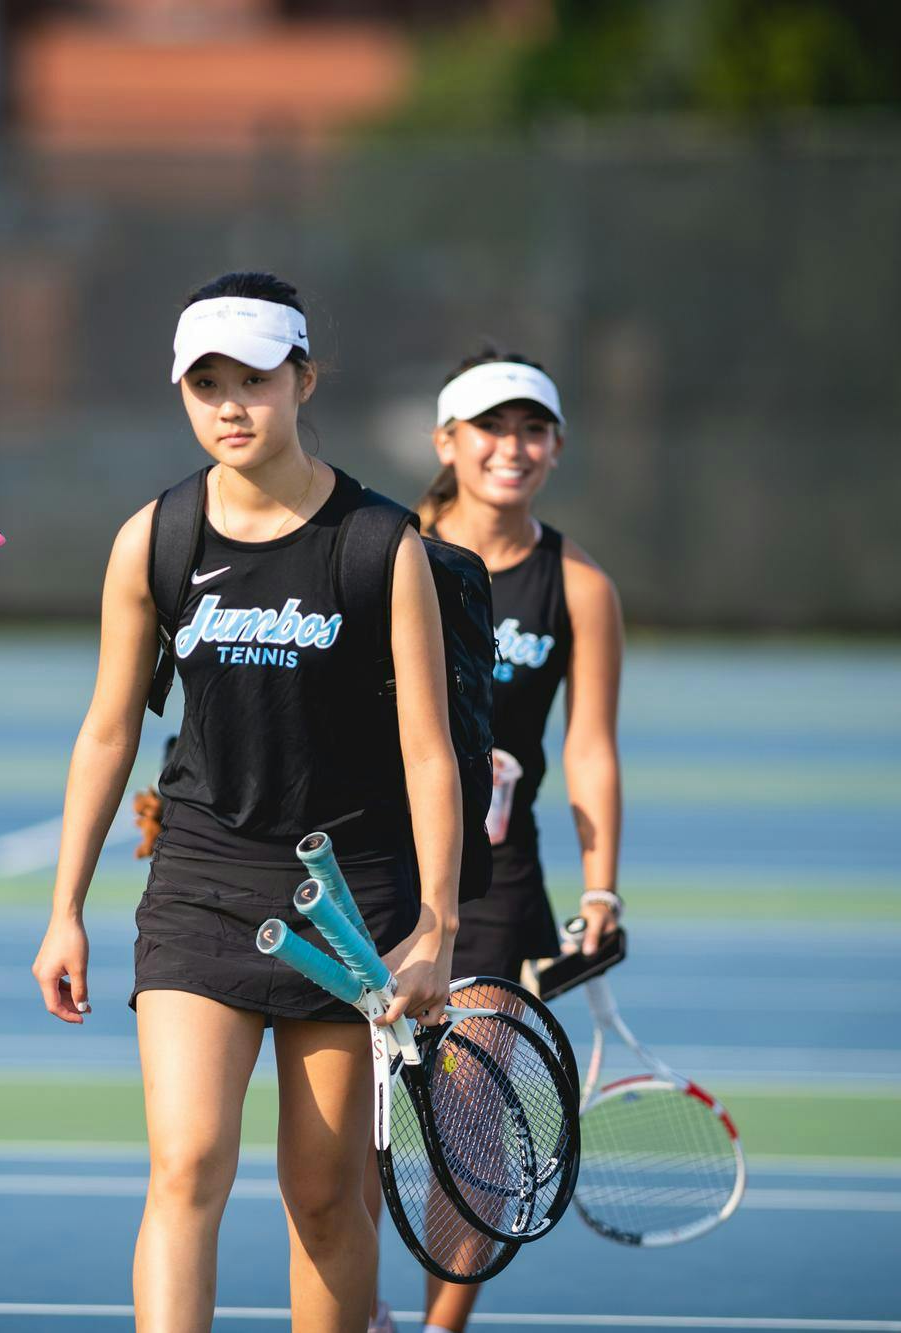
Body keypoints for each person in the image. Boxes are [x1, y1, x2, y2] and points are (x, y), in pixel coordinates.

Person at [31, 271, 461, 1332]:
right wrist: (63, 907)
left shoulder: (378, 545)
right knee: (184, 1166)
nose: (229, 404)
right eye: (204, 382)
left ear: (304, 379)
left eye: (254, 380)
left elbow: (429, 752)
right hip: (200, 884)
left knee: (322, 1195)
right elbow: (106, 729)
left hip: (346, 900)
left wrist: (436, 927)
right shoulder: (156, 539)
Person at [366, 350, 624, 1333]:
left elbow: (590, 748)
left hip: (494, 885)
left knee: (473, 1125)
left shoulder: (577, 585)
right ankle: (356, 1308)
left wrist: (598, 891)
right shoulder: (386, 550)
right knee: (350, 1123)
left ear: (553, 447)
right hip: (374, 868)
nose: (508, 448)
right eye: (488, 428)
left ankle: (439, 1331)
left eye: (529, 430)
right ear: (447, 443)